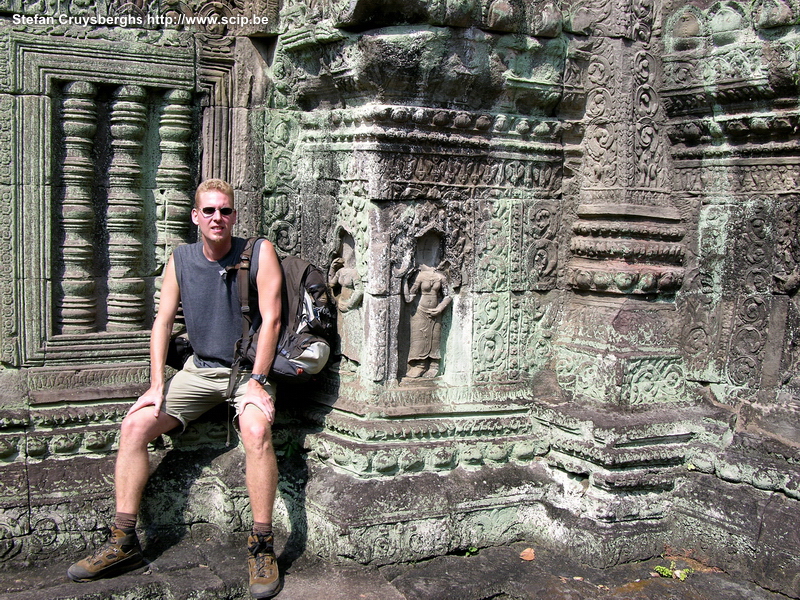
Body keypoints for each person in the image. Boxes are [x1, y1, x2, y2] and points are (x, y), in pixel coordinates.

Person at [67, 179, 284, 599]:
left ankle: (261, 545)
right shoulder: (180, 259)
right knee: (133, 427)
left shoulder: (259, 252)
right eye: (209, 211)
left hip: (247, 371)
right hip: (198, 371)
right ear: (195, 217)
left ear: (234, 215)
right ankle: (124, 539)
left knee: (257, 432)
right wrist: (155, 385)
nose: (217, 218)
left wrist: (257, 382)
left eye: (225, 211)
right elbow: (163, 323)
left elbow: (271, 320)